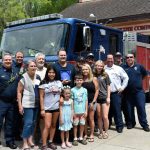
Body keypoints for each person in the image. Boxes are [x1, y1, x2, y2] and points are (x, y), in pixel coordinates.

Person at [17, 60, 41, 150]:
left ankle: (30, 140)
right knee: (28, 123)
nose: (34, 67)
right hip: (27, 104)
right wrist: (20, 105)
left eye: (35, 66)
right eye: (31, 66)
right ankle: (24, 143)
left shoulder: (38, 77)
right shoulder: (23, 78)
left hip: (36, 104)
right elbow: (19, 92)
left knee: (33, 123)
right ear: (27, 67)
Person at [122, 53, 150, 132]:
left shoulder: (139, 66)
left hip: (139, 92)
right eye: (128, 57)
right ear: (126, 59)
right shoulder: (123, 68)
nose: (129, 58)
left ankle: (144, 124)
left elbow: (144, 75)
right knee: (129, 109)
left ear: (134, 58)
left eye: (131, 57)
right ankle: (131, 123)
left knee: (141, 108)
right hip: (127, 93)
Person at [39, 65, 63, 150]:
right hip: (47, 108)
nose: (51, 74)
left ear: (55, 73)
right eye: (49, 72)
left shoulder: (59, 82)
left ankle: (50, 142)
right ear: (47, 73)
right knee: (47, 126)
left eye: (53, 72)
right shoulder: (43, 82)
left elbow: (61, 94)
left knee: (53, 125)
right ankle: (44, 144)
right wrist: (42, 109)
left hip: (56, 107)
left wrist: (61, 98)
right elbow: (41, 96)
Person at [105, 54, 129, 133]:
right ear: (106, 59)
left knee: (117, 110)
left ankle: (119, 126)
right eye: (108, 59)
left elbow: (126, 78)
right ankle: (107, 124)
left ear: (113, 59)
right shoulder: (103, 69)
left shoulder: (118, 68)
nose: (110, 60)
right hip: (106, 94)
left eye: (111, 59)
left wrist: (122, 87)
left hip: (116, 93)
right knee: (107, 110)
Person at [0, 54, 18, 149]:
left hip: (12, 102)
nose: (8, 61)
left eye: (9, 60)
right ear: (2, 61)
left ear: (12, 61)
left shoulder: (15, 72)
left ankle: (9, 141)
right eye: (6, 60)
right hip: (1, 101)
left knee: (10, 123)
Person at [94, 60, 111, 139]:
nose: (99, 67)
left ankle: (106, 132)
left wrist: (108, 97)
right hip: (97, 98)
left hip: (104, 97)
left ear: (103, 66)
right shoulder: (93, 75)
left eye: (101, 66)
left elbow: (108, 86)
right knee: (99, 116)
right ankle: (100, 132)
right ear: (95, 66)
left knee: (105, 116)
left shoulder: (105, 75)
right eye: (98, 65)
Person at [82, 64, 99, 142]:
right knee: (84, 119)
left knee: (91, 119)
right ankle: (85, 134)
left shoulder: (94, 79)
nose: (85, 71)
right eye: (83, 69)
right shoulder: (80, 79)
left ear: (89, 70)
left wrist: (94, 101)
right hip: (82, 103)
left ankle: (91, 134)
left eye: (86, 69)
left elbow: (97, 90)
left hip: (92, 101)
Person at [71, 74, 88, 146]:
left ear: (83, 81)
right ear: (75, 81)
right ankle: (75, 138)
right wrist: (73, 111)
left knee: (82, 125)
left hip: (83, 112)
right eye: (77, 80)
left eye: (80, 80)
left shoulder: (84, 90)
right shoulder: (72, 90)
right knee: (75, 125)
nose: (79, 81)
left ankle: (81, 137)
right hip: (75, 112)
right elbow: (71, 101)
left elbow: (86, 100)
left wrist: (86, 110)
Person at [13, 51, 25, 141]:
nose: (19, 58)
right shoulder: (12, 66)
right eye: (18, 57)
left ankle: (17, 135)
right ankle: (11, 135)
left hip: (22, 95)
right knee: (11, 117)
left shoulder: (24, 67)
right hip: (12, 96)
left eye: (21, 57)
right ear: (15, 57)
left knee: (19, 117)